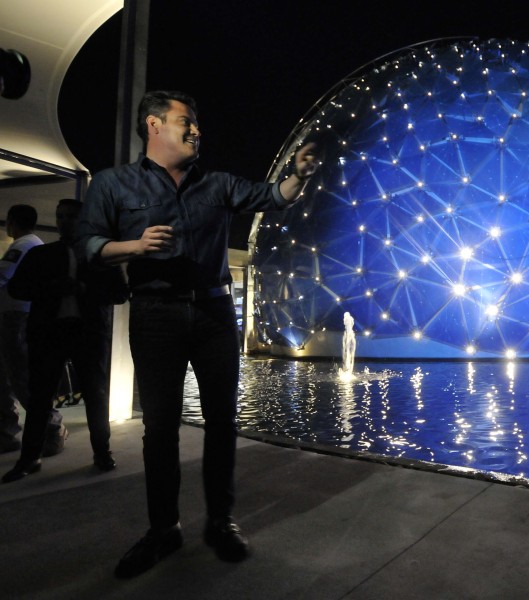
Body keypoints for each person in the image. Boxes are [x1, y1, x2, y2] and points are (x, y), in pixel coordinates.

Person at [77, 90, 319, 578]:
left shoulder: (218, 183)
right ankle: (163, 529)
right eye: (185, 121)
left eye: (197, 124)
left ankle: (221, 521)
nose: (196, 130)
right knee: (160, 429)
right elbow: (87, 244)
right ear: (153, 125)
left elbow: (271, 197)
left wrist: (298, 175)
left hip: (212, 317)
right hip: (155, 315)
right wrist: (134, 245)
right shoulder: (112, 184)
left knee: (221, 423)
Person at [2, 199, 127, 483]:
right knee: (40, 398)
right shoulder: (42, 255)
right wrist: (50, 288)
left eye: (71, 216)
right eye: (61, 216)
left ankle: (101, 452)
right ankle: (30, 457)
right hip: (50, 334)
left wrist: (84, 289)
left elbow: (120, 293)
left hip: (87, 335)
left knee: (95, 395)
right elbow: (18, 288)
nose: (65, 221)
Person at [0, 205, 66, 455]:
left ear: (11, 222)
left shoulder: (22, 246)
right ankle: (9, 432)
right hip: (18, 318)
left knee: (18, 378)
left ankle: (52, 428)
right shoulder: (33, 244)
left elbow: (1, 275)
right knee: (11, 378)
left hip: (15, 320)